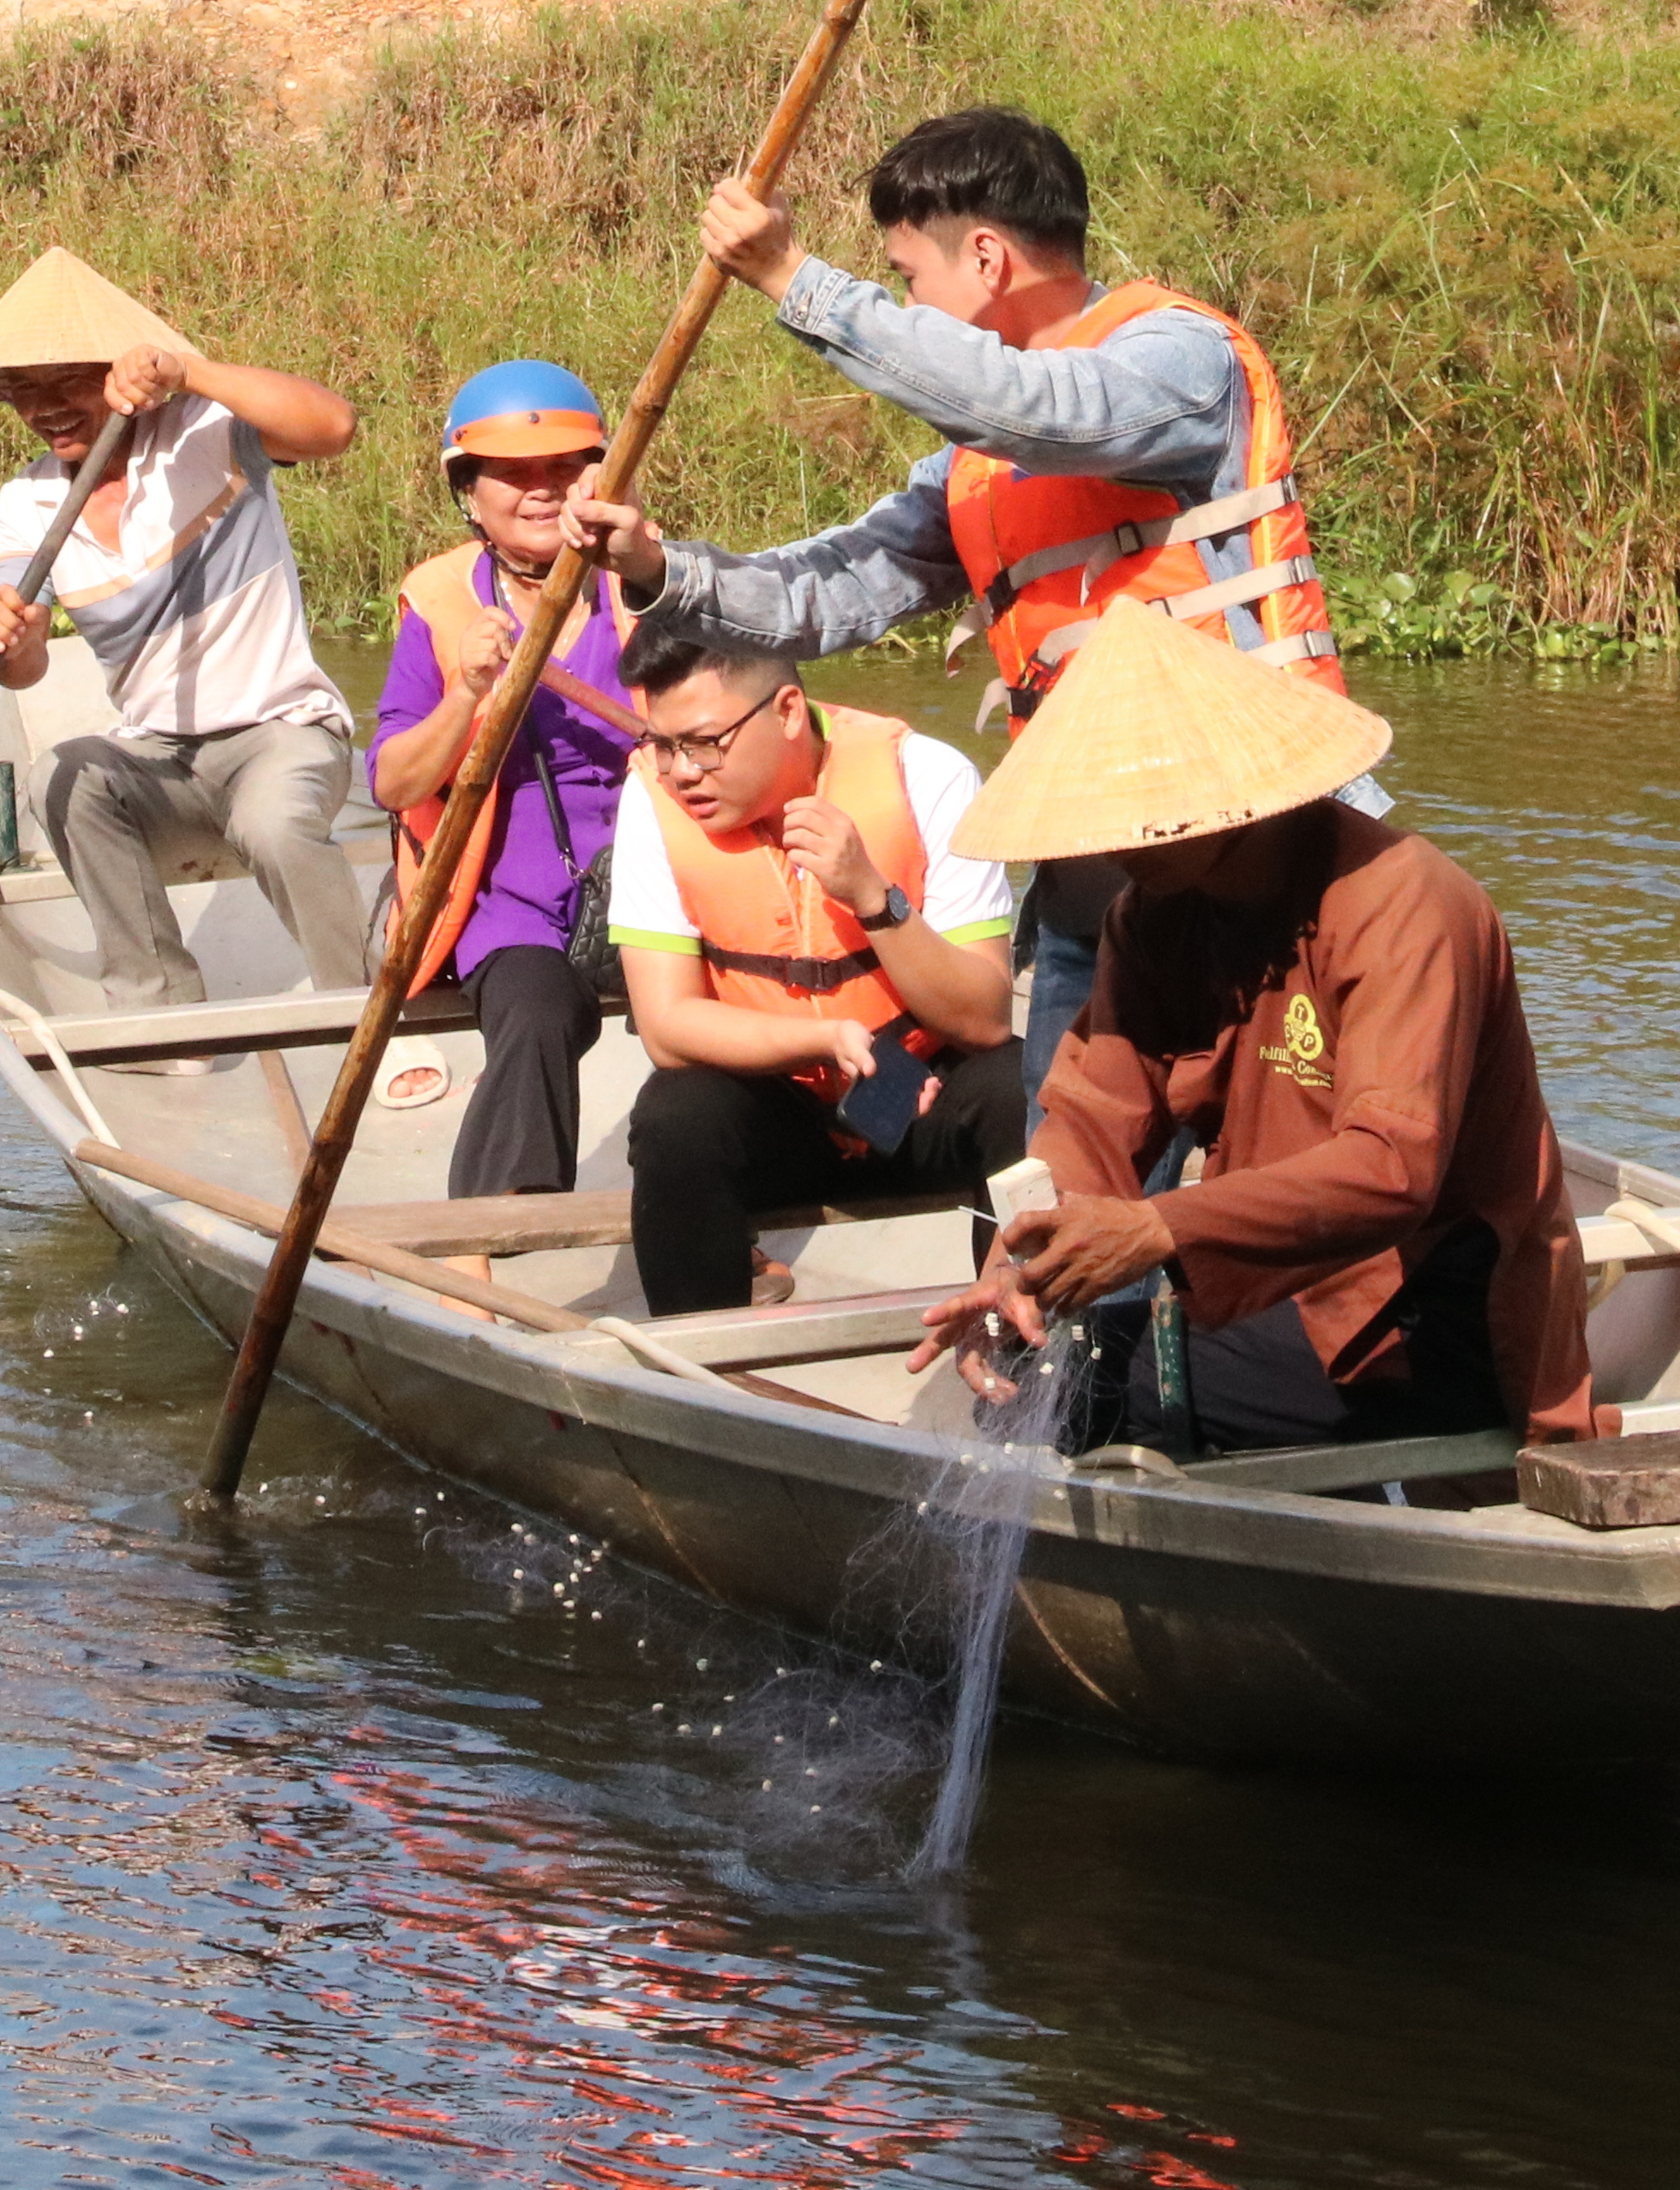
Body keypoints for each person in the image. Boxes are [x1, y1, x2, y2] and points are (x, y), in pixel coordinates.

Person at [563, 106, 1355, 1099]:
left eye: (907, 278)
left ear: (984, 257)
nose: (908, 300)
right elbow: (841, 586)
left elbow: (1040, 410)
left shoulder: (1179, 361)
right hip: (1095, 865)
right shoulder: (972, 468)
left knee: (1280, 1156)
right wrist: (660, 567)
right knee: (1067, 1189)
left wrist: (792, 280)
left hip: (1255, 840)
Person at [915, 598, 1597, 1456]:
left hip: (1425, 1306)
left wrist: (1161, 1225)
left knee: (1097, 1392)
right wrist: (1020, 1260)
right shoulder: (1150, 914)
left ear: (1223, 799)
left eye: (1130, 811)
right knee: (1029, 1369)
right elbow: (1093, 1119)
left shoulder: (1401, 900)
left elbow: (1393, 1167)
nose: (1104, 844)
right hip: (1269, 1285)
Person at [0, 246, 367, 1029]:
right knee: (60, 778)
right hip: (158, 760)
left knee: (272, 826)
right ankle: (157, 1011)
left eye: (68, 381)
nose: (45, 408)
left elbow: (334, 427)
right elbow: (25, 670)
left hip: (281, 738)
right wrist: (13, 638)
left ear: (116, 373)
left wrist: (187, 370)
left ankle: (359, 1008)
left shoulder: (201, 435)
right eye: (22, 391)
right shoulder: (23, 505)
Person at [607, 610, 1027, 1318]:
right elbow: (666, 1025)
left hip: (920, 1094)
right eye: (664, 744)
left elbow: (984, 1017)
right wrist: (823, 1040)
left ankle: (1022, 1346)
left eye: (705, 744)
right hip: (779, 1111)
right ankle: (705, 1376)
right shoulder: (651, 801)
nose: (682, 773)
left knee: (1022, 1084)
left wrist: (871, 896)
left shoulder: (926, 776)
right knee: (675, 1115)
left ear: (789, 710)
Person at [368, 362, 638, 1201]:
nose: (542, 491)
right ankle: (496, 1230)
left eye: (563, 469)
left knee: (715, 1029)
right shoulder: (442, 604)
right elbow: (391, 779)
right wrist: (466, 696)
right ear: (470, 494)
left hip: (650, 890)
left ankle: (727, 1214)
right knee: (536, 1010)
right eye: (514, 474)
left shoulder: (647, 583)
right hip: (508, 904)